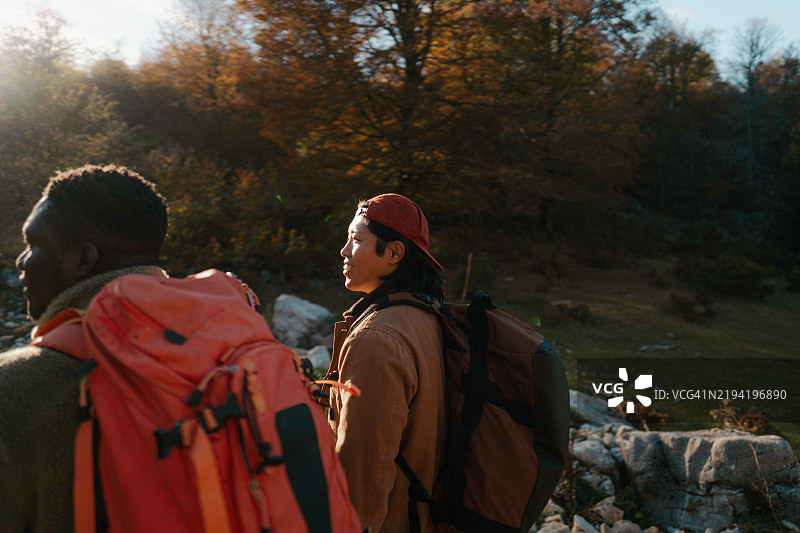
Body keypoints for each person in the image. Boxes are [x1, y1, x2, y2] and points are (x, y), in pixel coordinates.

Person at [0, 164, 169, 532]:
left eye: (33, 244)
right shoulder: (223, 361)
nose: (21, 261)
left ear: (82, 261)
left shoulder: (13, 389)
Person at [327, 193, 448, 533]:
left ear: (394, 253)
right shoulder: (426, 317)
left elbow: (363, 473)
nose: (344, 251)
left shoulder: (376, 339)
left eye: (356, 240)